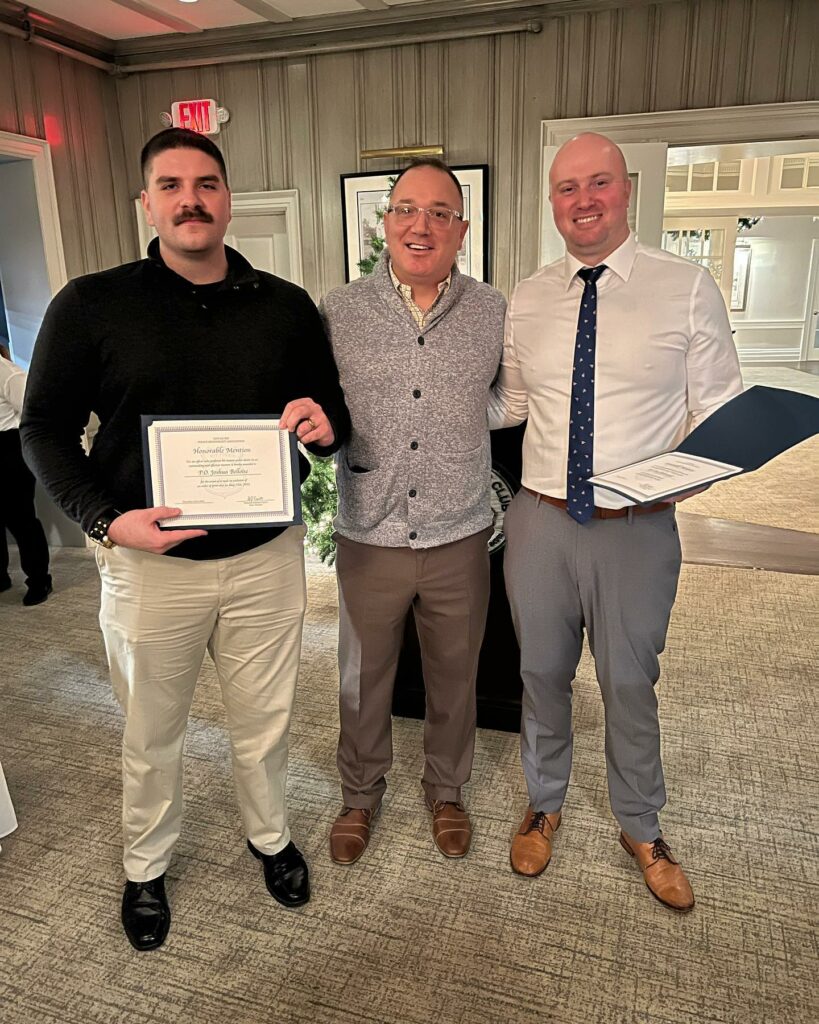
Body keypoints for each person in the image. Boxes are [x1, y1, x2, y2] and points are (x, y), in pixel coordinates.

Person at [20, 128, 350, 950]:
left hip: (264, 560)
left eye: (205, 183)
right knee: (150, 730)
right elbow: (43, 431)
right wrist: (104, 519)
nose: (190, 198)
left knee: (264, 721)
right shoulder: (91, 304)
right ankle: (146, 864)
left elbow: (326, 410)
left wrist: (324, 427)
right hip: (146, 560)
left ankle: (271, 839)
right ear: (147, 203)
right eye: (170, 185)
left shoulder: (283, 305)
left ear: (227, 198)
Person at [490, 132, 742, 911]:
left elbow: (721, 413)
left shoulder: (684, 286)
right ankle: (545, 800)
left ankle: (640, 822)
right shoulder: (528, 297)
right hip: (537, 523)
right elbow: (513, 405)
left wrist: (678, 486)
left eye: (596, 183)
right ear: (552, 201)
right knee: (539, 674)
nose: (582, 201)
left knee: (629, 682)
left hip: (636, 528)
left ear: (624, 189)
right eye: (566, 188)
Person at [321, 158, 505, 865]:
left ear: (461, 229)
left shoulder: (492, 311)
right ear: (385, 222)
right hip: (369, 529)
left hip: (459, 530)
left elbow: (508, 402)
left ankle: (446, 789)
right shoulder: (339, 311)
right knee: (362, 677)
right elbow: (319, 410)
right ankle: (359, 795)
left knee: (454, 673)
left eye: (437, 212)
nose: (419, 224)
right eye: (404, 209)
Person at [0, 344, 51, 605]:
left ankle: (39, 580)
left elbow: (32, 409)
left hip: (8, 447)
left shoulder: (5, 371)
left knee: (21, 519)